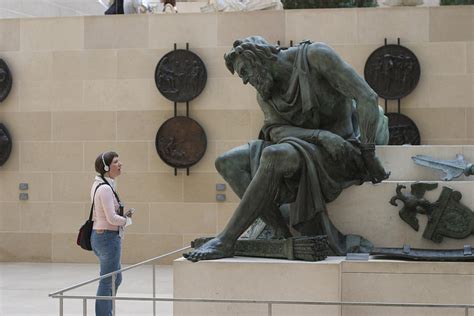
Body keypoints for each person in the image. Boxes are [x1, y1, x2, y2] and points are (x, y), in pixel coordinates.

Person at [184, 36, 390, 262]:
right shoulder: (265, 93)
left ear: (258, 58)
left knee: (274, 154)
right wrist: (319, 135)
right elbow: (276, 131)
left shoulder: (316, 57)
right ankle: (282, 233)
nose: (244, 81)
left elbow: (367, 96)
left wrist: (368, 154)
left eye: (244, 72)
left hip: (341, 150)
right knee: (226, 161)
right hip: (306, 145)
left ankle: (225, 241)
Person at [90, 151, 133, 316]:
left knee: (116, 278)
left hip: (102, 236)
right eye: (116, 162)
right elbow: (112, 218)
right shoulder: (105, 188)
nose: (120, 164)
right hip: (107, 238)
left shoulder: (101, 184)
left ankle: (107, 311)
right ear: (107, 167)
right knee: (108, 281)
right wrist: (126, 220)